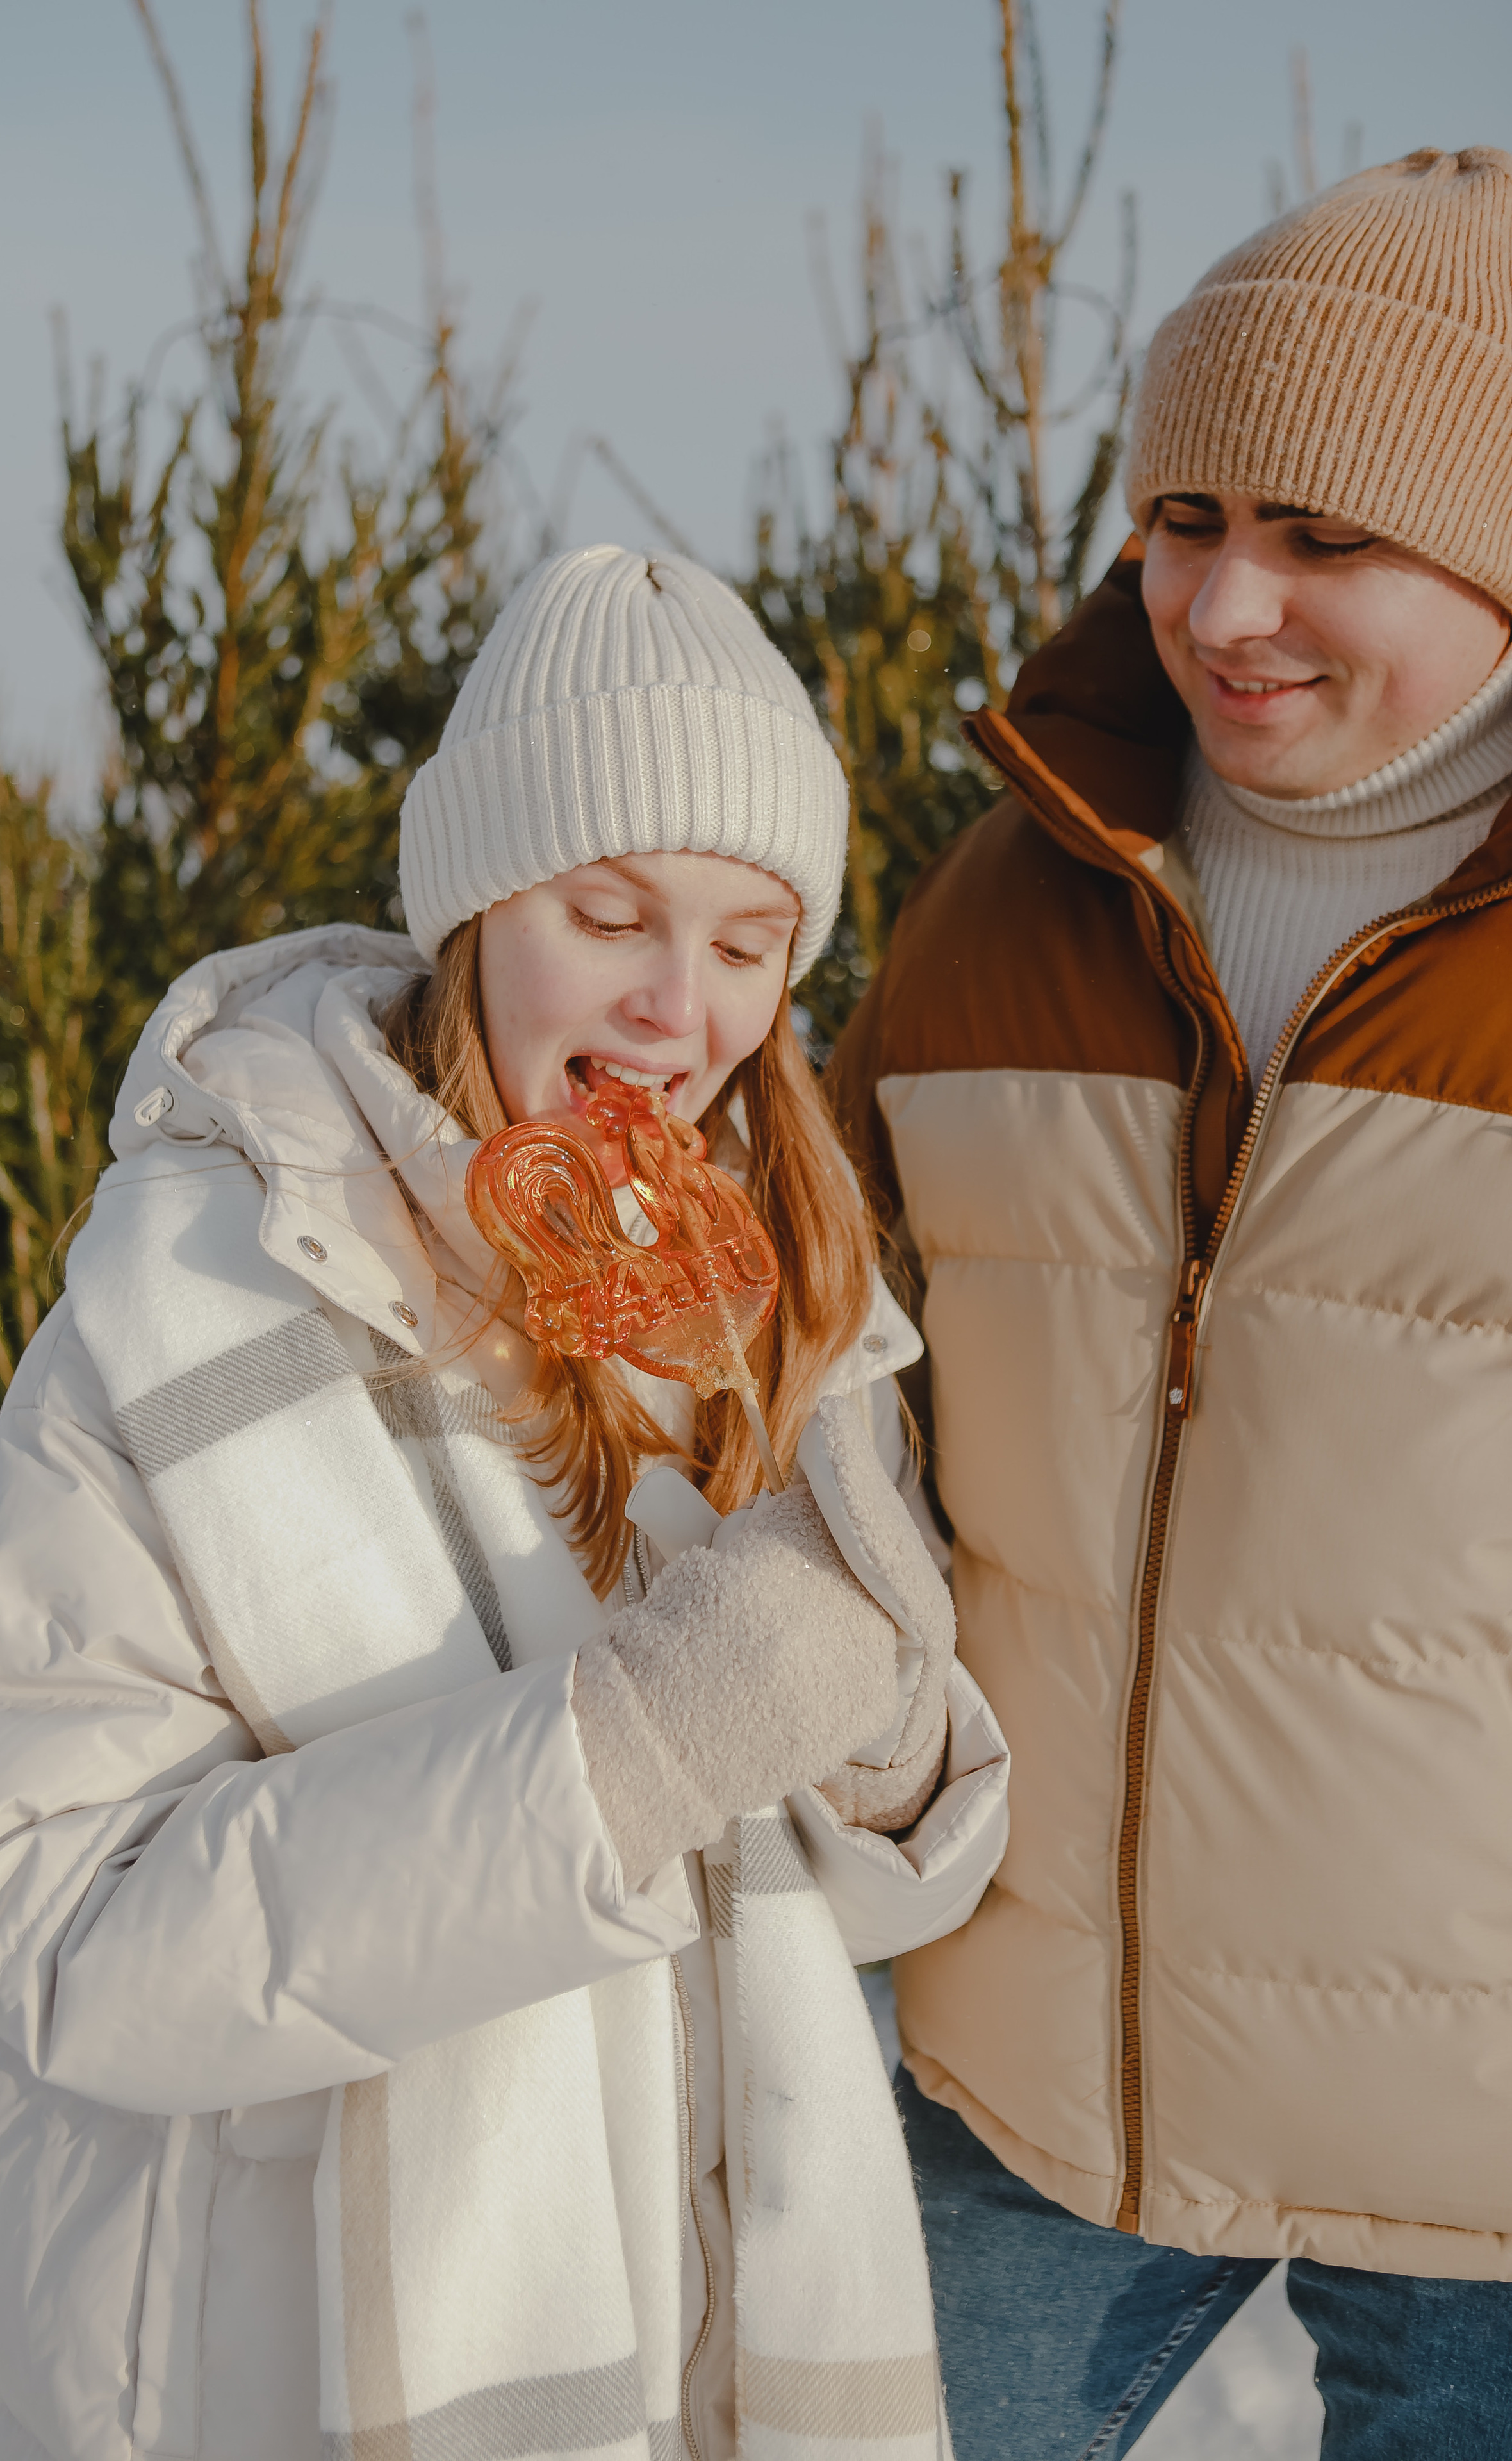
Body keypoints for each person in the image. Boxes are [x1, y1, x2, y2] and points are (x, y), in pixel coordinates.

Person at [0, 546, 1009, 2461]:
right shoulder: (203, 1285)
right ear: (480, 904)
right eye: (611, 913)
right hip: (276, 2355)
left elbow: (857, 1890)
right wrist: (633, 1746)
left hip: (708, 2350)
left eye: (751, 944)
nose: (678, 1009)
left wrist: (899, 1743)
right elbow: (36, 1920)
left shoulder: (786, 1293)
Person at [830, 147, 1512, 2456]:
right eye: (1189, 515)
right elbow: (813, 1342)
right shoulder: (1012, 896)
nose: (1226, 603)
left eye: (1331, 539)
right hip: (1036, 2054)